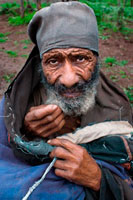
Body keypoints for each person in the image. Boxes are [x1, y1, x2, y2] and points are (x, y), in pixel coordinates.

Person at [0, 1, 133, 200]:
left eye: (80, 58)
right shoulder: (15, 107)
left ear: (96, 61)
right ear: (40, 64)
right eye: (54, 61)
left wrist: (99, 178)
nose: (69, 79)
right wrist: (25, 132)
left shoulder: (117, 110)